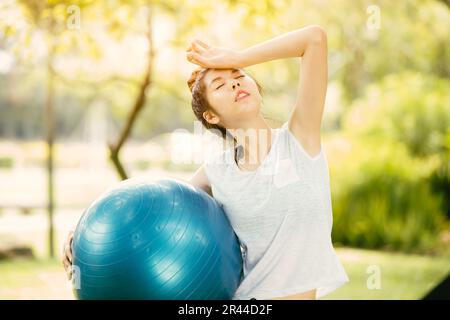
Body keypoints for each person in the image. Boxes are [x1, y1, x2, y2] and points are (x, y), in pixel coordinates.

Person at [63, 24, 349, 300]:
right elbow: (156, 209)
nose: (235, 82)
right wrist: (85, 233)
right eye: (220, 84)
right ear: (211, 117)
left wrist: (237, 57)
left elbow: (314, 39)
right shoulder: (218, 171)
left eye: (239, 75)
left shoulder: (299, 140)